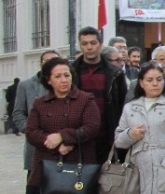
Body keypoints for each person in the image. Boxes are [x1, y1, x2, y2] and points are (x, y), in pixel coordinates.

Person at [115, 62, 165, 194]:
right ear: (141, 83)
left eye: (159, 79)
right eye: (149, 80)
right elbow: (118, 141)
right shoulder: (130, 108)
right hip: (137, 171)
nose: (155, 84)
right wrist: (130, 135)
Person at [24, 57, 101, 192]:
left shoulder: (85, 99)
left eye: (67, 75)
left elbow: (92, 127)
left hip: (79, 164)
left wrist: (64, 137)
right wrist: (55, 144)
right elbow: (31, 132)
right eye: (58, 76)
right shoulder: (40, 103)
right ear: (48, 80)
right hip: (46, 164)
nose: (64, 80)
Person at [73, 26, 127, 164]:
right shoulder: (71, 72)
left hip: (107, 137)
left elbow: (122, 105)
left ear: (100, 45)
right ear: (80, 46)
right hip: (79, 138)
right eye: (85, 44)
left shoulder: (116, 73)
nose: (89, 47)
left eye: (93, 43)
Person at [13, 50, 60, 194]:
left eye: (54, 60)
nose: (50, 64)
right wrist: (30, 130)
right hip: (35, 147)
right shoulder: (26, 85)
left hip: (60, 146)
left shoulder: (67, 84)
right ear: (40, 64)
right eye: (46, 61)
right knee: (34, 186)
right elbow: (18, 113)